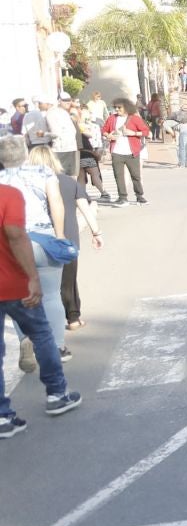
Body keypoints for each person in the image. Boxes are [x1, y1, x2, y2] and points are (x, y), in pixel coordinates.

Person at [0, 172, 79, 436]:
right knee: (43, 334)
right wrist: (32, 276)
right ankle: (57, 394)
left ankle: (2, 416)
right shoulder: (8, 194)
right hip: (12, 283)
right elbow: (15, 235)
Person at [0, 135, 72, 380]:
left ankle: (25, 339)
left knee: (22, 297)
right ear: (23, 153)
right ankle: (59, 346)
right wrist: (59, 235)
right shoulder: (42, 172)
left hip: (12, 244)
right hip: (42, 237)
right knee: (51, 294)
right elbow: (56, 203)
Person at [30, 143, 99, 333]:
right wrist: (96, 232)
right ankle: (73, 317)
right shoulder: (68, 182)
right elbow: (85, 209)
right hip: (67, 239)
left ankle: (42, 323)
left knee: (41, 284)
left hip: (37, 240)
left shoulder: (29, 186)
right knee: (68, 280)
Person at [101, 99, 149, 205]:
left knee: (135, 175)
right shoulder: (112, 118)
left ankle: (139, 196)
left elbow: (146, 131)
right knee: (118, 175)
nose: (117, 109)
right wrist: (108, 135)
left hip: (132, 152)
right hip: (117, 151)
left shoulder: (134, 119)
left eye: (119, 107)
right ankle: (122, 197)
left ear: (126, 108)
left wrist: (134, 133)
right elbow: (104, 130)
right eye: (116, 108)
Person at [44, 95, 78, 178]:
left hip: (61, 149)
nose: (68, 102)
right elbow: (74, 131)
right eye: (65, 100)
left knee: (60, 177)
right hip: (72, 147)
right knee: (71, 177)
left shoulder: (51, 113)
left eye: (69, 100)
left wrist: (44, 134)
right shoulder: (63, 112)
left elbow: (56, 133)